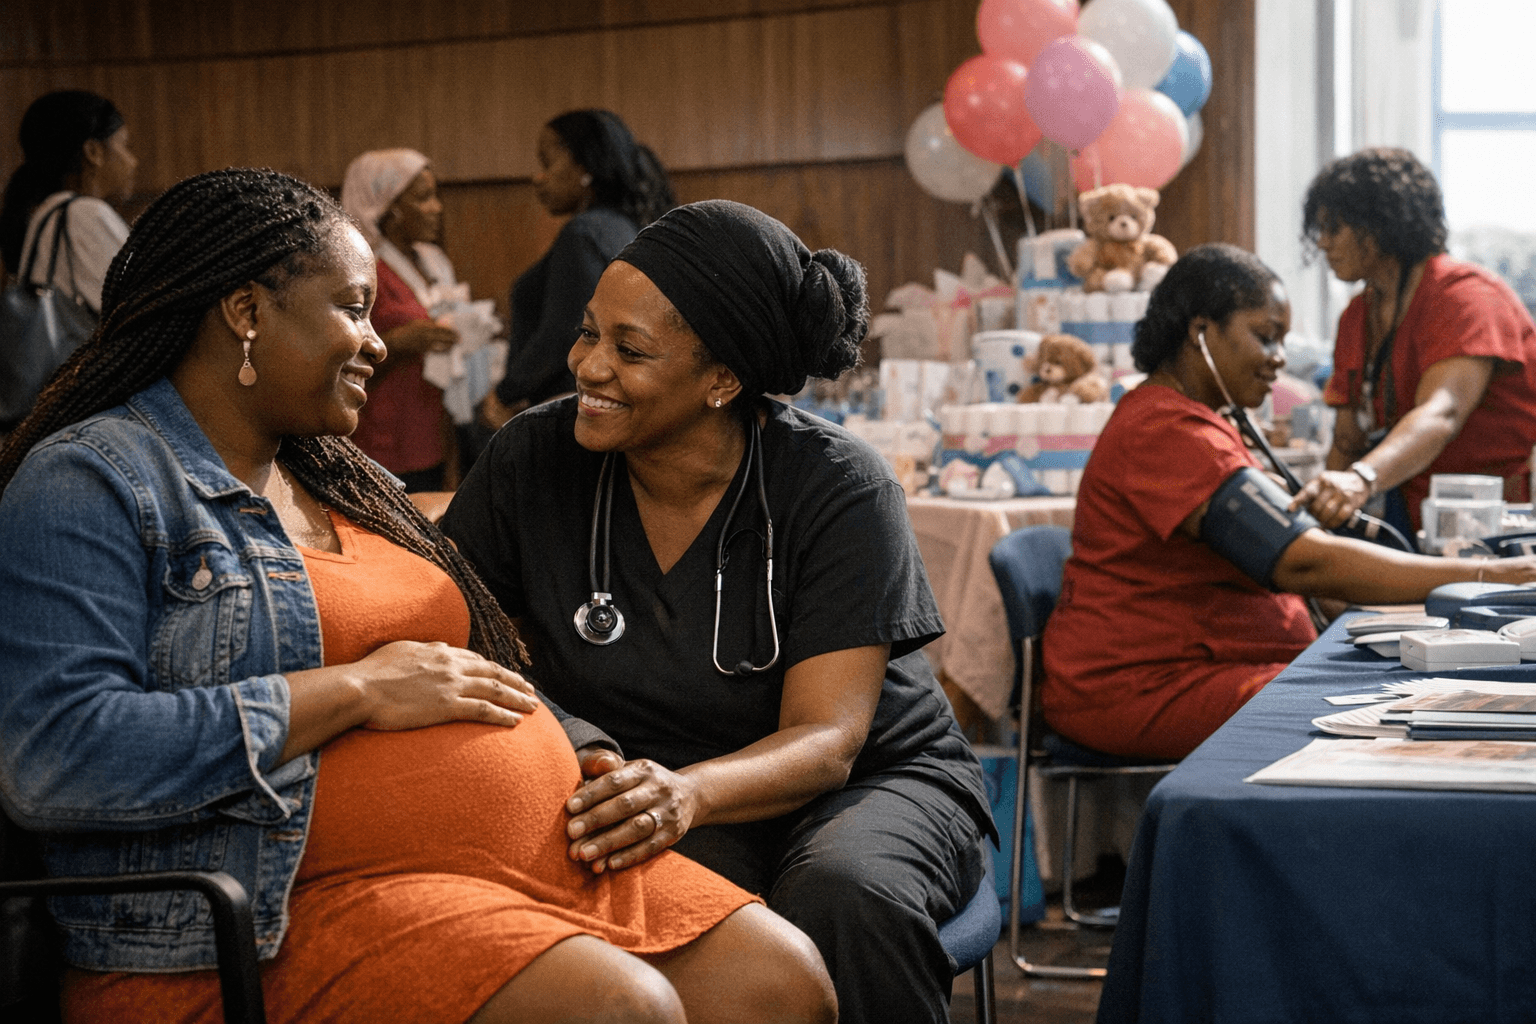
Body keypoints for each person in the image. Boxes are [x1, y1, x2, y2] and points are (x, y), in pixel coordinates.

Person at [0, 169, 835, 1024]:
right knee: (619, 1008)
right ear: (246, 313)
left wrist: (578, 748)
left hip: (521, 864)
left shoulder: (339, 475)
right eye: (353, 308)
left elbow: (465, 665)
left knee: (778, 980)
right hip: (268, 914)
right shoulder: (90, 481)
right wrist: (355, 690)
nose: (375, 342)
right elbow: (57, 758)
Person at [443, 199, 996, 1024]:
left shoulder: (838, 486)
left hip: (871, 782)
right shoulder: (532, 458)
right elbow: (448, 633)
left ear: (721, 380)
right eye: (587, 333)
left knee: (845, 895)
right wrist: (582, 743)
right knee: (664, 909)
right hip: (649, 778)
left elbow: (828, 740)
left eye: (629, 350)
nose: (588, 367)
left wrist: (687, 793)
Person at [1042, 244, 1536, 761]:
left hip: (1207, 667)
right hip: (1143, 687)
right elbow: (1303, 560)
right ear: (1201, 332)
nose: (1279, 356)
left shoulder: (1198, 422)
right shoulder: (1163, 431)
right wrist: (1493, 576)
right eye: (1264, 336)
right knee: (1382, 711)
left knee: (1412, 683)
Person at [1298, 146, 1536, 535]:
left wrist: (1360, 480)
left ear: (1379, 226)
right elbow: (1346, 442)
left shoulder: (1467, 296)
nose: (1322, 243)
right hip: (1401, 521)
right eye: (1319, 230)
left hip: (1484, 533)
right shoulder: (1357, 316)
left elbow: (1441, 413)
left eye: (1334, 228)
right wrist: (1317, 526)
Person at [478, 109, 674, 429]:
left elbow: (564, 334)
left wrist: (504, 394)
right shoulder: (624, 225)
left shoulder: (584, 233)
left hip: (575, 406)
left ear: (584, 166)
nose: (538, 178)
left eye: (548, 163)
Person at [339, 148, 460, 491]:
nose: (437, 208)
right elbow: (335, 362)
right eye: (423, 198)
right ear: (388, 209)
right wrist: (398, 344)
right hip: (381, 436)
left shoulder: (433, 261)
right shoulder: (360, 271)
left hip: (433, 430)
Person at [0, 90, 136, 313]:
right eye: (124, 145)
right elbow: (142, 310)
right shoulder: (85, 214)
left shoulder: (48, 212)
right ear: (93, 152)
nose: (133, 161)